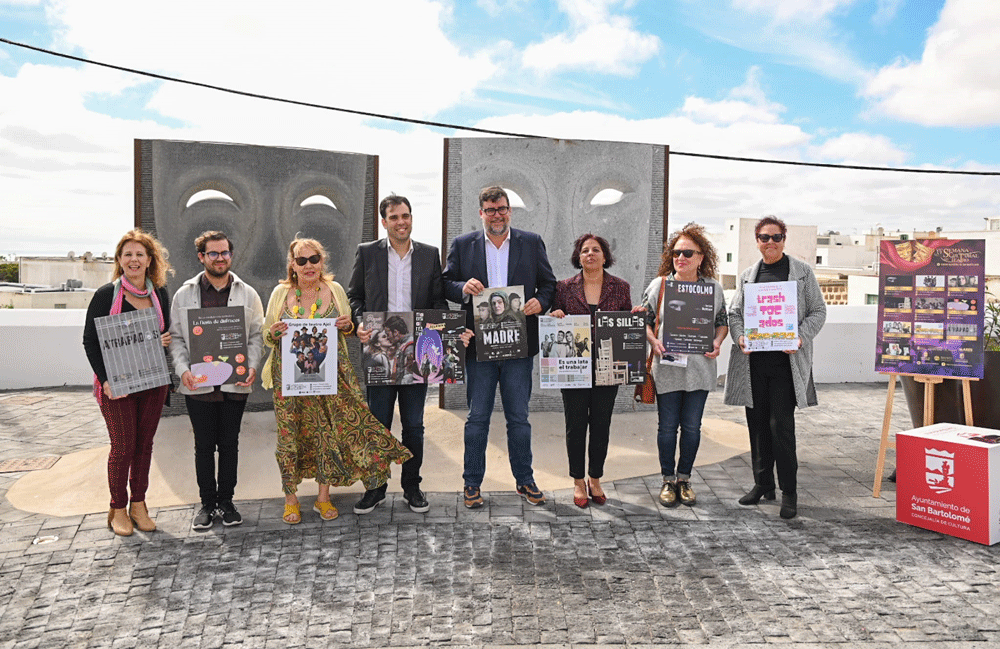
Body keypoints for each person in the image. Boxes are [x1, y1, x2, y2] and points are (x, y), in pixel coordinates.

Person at [262, 238, 411, 523]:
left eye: (314, 259)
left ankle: (323, 497)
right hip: (290, 380)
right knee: (289, 436)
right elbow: (266, 334)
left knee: (326, 434)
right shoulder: (281, 293)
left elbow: (350, 329)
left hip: (330, 376)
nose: (309, 266)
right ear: (292, 264)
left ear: (322, 261)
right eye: (301, 260)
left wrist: (349, 326)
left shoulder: (335, 289)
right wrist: (275, 332)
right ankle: (290, 498)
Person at [443, 185, 556, 508]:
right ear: (481, 213)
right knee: (477, 417)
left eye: (502, 208)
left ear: (510, 210)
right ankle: (472, 484)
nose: (497, 215)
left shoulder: (530, 242)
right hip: (479, 348)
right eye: (490, 210)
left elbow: (549, 284)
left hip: (518, 347)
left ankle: (525, 480)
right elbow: (446, 283)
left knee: (518, 417)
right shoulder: (463, 245)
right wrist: (463, 287)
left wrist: (540, 302)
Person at [347, 194, 448, 514]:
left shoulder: (430, 255)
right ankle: (375, 488)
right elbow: (354, 297)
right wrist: (359, 322)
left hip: (416, 353)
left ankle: (412, 486)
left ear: (411, 217)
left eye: (406, 215)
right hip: (379, 348)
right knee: (378, 423)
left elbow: (438, 303)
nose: (401, 221)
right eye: (394, 217)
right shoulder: (367, 254)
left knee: (414, 425)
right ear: (384, 221)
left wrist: (444, 330)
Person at [724, 216, 827, 519]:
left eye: (776, 237)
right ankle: (762, 484)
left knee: (780, 427)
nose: (770, 242)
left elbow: (818, 312)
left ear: (785, 239)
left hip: (786, 364)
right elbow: (735, 314)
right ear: (756, 240)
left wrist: (798, 337)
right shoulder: (747, 276)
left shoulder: (802, 273)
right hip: (753, 364)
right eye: (764, 237)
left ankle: (789, 492)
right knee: (756, 426)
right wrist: (740, 336)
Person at [168, 230, 264, 530]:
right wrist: (183, 369)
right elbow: (177, 339)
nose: (220, 258)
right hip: (199, 384)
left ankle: (227, 502)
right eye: (213, 253)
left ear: (230, 256)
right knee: (204, 446)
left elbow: (256, 335)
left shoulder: (247, 293)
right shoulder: (184, 294)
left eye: (224, 253)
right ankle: (207, 505)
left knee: (230, 444)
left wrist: (252, 365)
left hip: (235, 383)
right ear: (202, 257)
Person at [82, 229, 173, 537]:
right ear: (119, 260)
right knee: (123, 446)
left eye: (140, 255)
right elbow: (90, 341)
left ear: (150, 261)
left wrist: (165, 339)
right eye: (128, 254)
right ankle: (118, 508)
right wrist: (105, 380)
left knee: (144, 446)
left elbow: (165, 333)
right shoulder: (106, 295)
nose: (134, 260)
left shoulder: (159, 293)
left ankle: (139, 505)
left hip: (152, 381)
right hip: (117, 385)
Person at [642, 223, 728, 508]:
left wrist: (717, 343)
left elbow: (721, 323)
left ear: (701, 257)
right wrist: (653, 341)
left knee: (692, 428)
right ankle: (667, 480)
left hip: (700, 368)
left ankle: (685, 479)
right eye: (677, 252)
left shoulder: (713, 289)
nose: (682, 258)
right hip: (667, 368)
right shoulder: (660, 285)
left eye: (688, 253)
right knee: (667, 428)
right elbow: (645, 321)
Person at [550, 233, 634, 507]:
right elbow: (555, 318)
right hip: (573, 366)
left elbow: (626, 324)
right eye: (584, 250)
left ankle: (595, 478)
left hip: (609, 366)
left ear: (605, 255)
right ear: (578, 256)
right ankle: (577, 481)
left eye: (595, 249)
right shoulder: (563, 287)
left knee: (601, 424)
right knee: (575, 425)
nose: (590, 254)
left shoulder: (621, 287)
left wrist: (634, 317)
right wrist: (556, 316)